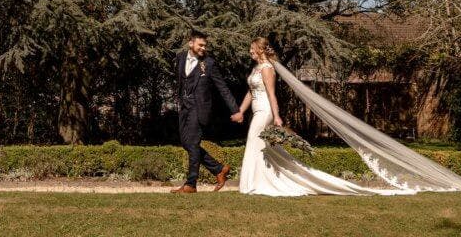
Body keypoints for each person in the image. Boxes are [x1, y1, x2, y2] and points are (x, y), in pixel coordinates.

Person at [237, 37, 405, 196]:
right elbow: (251, 92)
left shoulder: (267, 69)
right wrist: (241, 111)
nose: (250, 51)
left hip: (265, 111)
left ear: (260, 49)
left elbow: (272, 94)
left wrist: (276, 116)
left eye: (252, 48)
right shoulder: (256, 68)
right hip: (257, 110)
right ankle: (257, 181)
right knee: (260, 145)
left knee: (254, 141)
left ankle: (254, 183)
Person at [170, 30, 244, 194]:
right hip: (184, 106)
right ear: (191, 43)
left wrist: (236, 110)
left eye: (205, 45)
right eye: (200, 45)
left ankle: (191, 184)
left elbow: (223, 88)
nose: (203, 48)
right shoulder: (180, 58)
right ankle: (219, 169)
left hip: (199, 108)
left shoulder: (209, 64)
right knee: (186, 143)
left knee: (194, 143)